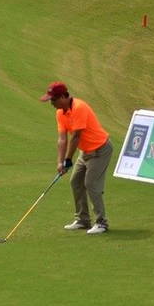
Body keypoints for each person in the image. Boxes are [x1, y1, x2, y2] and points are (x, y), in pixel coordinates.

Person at [43, 81, 111, 235]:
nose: (51, 103)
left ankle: (101, 223)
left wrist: (68, 160)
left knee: (91, 183)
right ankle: (83, 220)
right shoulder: (60, 112)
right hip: (85, 151)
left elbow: (75, 137)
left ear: (62, 97)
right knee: (75, 181)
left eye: (53, 100)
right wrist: (60, 162)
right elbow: (62, 139)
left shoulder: (79, 107)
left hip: (100, 149)